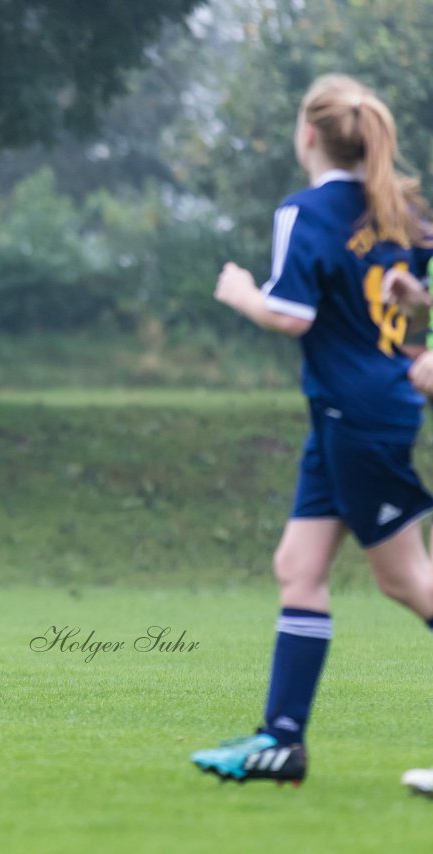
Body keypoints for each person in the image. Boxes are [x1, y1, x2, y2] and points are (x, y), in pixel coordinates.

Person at [191, 74, 433, 789]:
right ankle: (282, 743)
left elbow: (292, 316)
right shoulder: (404, 210)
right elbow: (412, 309)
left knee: (408, 579)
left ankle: (281, 738)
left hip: (362, 416)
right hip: (345, 412)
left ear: (307, 135)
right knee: (298, 567)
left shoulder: (306, 211)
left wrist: (241, 293)